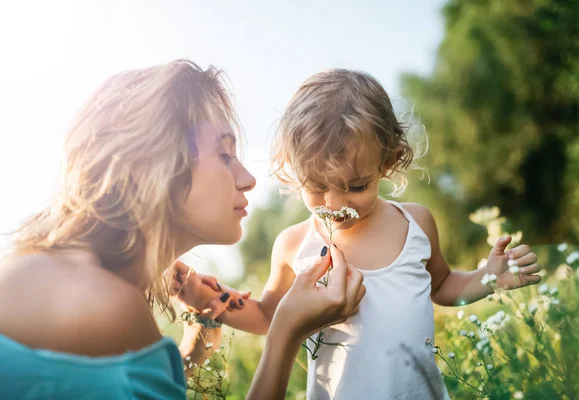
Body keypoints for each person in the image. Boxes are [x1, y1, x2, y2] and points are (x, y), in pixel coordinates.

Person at [0, 60, 366, 400]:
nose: (249, 179)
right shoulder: (106, 306)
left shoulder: (47, 273)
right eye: (224, 156)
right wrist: (287, 331)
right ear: (150, 166)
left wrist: (195, 346)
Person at [174, 69, 542, 399]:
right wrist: (211, 297)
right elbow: (273, 317)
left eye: (355, 185)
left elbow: (443, 285)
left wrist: (488, 277)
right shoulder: (293, 245)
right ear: (293, 169)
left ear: (389, 161)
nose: (333, 203)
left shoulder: (415, 224)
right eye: (317, 186)